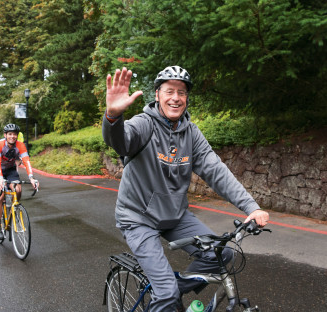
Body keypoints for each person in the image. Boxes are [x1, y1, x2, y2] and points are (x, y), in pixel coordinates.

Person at [102, 66, 269, 311]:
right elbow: (120, 142)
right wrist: (113, 118)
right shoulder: (144, 124)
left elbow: (216, 171)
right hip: (138, 218)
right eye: (169, 91)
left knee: (222, 256)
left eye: (181, 92)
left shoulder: (191, 133)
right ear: (157, 94)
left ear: (187, 98)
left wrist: (251, 208)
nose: (175, 98)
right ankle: (166, 296)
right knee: (167, 294)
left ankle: (167, 294)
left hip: (175, 216)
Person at [0, 123, 38, 241]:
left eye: (14, 134)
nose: (12, 136)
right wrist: (0, 179)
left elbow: (26, 161)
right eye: (10, 134)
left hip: (10, 171)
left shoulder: (20, 145)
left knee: (18, 189)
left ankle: (14, 209)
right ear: (5, 135)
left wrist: (31, 177)